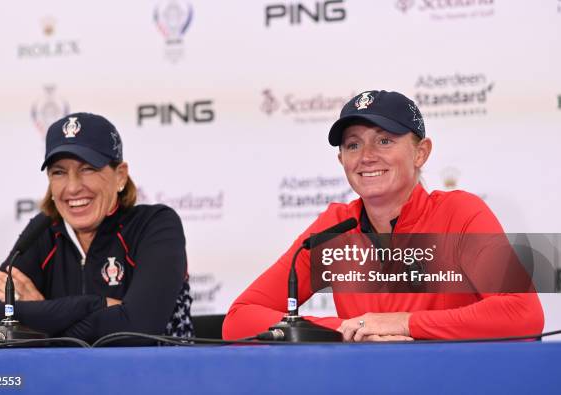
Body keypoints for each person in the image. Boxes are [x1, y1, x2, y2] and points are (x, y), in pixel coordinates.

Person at [222, 90, 544, 341]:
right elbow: (239, 319)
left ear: (421, 153)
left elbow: (523, 313)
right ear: (341, 160)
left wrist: (404, 325)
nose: (367, 157)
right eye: (353, 145)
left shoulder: (460, 213)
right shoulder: (335, 228)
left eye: (384, 140)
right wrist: (346, 330)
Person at [0, 112, 193, 345]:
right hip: (64, 380)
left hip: (152, 378)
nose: (73, 187)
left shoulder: (154, 224)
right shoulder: (43, 230)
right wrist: (98, 305)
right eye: (59, 172)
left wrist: (40, 318)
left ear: (120, 175)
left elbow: (136, 330)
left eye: (87, 169)